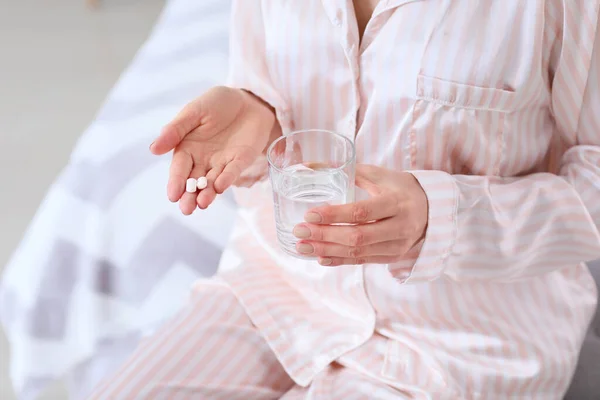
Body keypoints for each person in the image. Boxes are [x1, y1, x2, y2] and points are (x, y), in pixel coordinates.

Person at [88, 0, 600, 398]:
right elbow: (263, 86)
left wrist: (439, 216)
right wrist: (255, 111)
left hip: (462, 342)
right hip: (277, 290)